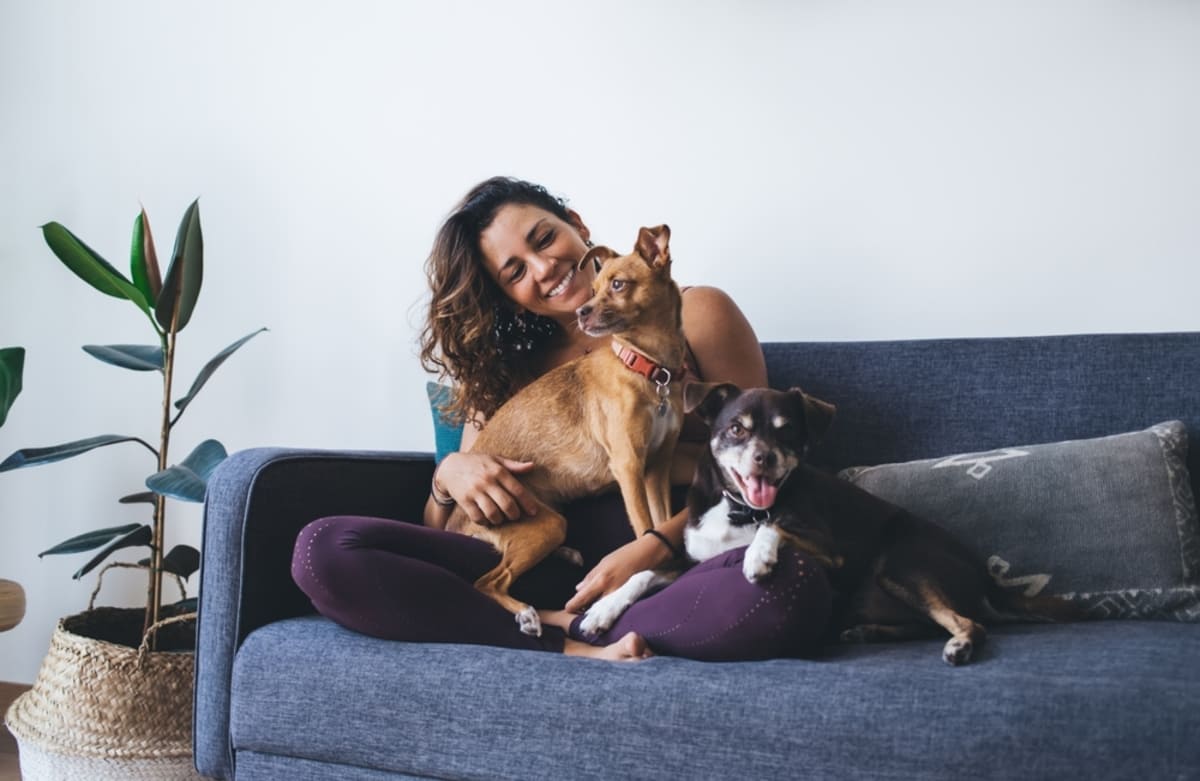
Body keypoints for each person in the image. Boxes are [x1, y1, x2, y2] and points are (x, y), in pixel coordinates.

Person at [292, 177, 831, 661]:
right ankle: (564, 638)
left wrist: (650, 550)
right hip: (530, 564)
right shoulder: (505, 377)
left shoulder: (697, 314)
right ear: (511, 300)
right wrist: (446, 476)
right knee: (322, 551)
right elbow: (445, 536)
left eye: (544, 239)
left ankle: (549, 628)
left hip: (654, 578)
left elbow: (763, 471)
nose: (544, 267)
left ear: (577, 227)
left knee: (788, 585)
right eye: (515, 272)